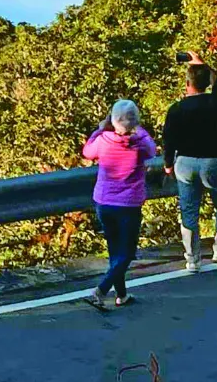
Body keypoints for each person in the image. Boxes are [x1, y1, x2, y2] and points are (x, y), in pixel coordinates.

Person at [81, 99, 158, 310]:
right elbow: (152, 150)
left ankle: (121, 294)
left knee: (116, 251)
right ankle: (101, 290)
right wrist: (138, 128)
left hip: (104, 202)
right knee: (128, 252)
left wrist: (99, 129)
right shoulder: (140, 143)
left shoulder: (104, 140)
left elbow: (87, 152)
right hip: (129, 204)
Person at [162, 51, 217, 272]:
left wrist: (167, 165)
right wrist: (202, 63)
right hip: (212, 161)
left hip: (184, 163)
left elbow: (168, 140)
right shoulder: (214, 102)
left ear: (187, 84)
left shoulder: (176, 109)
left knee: (189, 211)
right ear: (205, 83)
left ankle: (192, 260)